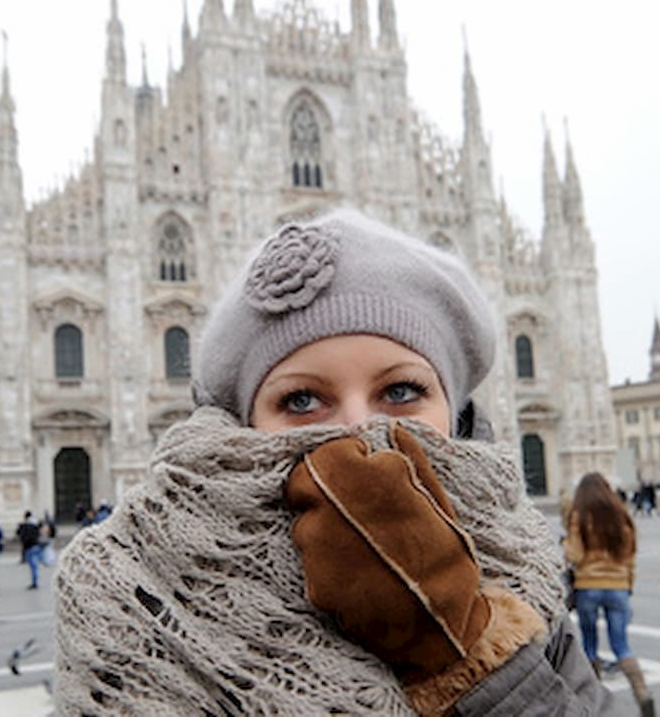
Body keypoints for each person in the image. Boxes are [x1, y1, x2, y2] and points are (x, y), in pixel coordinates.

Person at [54, 210, 620, 714]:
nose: (357, 431)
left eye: (400, 391)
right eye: (302, 400)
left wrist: (471, 657)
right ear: (242, 426)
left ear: (455, 412)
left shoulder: (515, 575)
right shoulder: (137, 606)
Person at [564, 473, 654, 716]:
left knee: (590, 648)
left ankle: (595, 706)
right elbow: (629, 557)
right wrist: (627, 585)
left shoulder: (579, 515)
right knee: (622, 646)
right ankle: (643, 695)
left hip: (588, 587)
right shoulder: (621, 516)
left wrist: (566, 542)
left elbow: (575, 556)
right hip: (618, 587)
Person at [17, 511, 44, 590]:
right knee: (34, 565)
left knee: (33, 566)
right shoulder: (35, 524)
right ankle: (35, 580)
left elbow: (19, 533)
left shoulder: (24, 525)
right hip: (36, 546)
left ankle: (34, 582)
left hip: (28, 547)